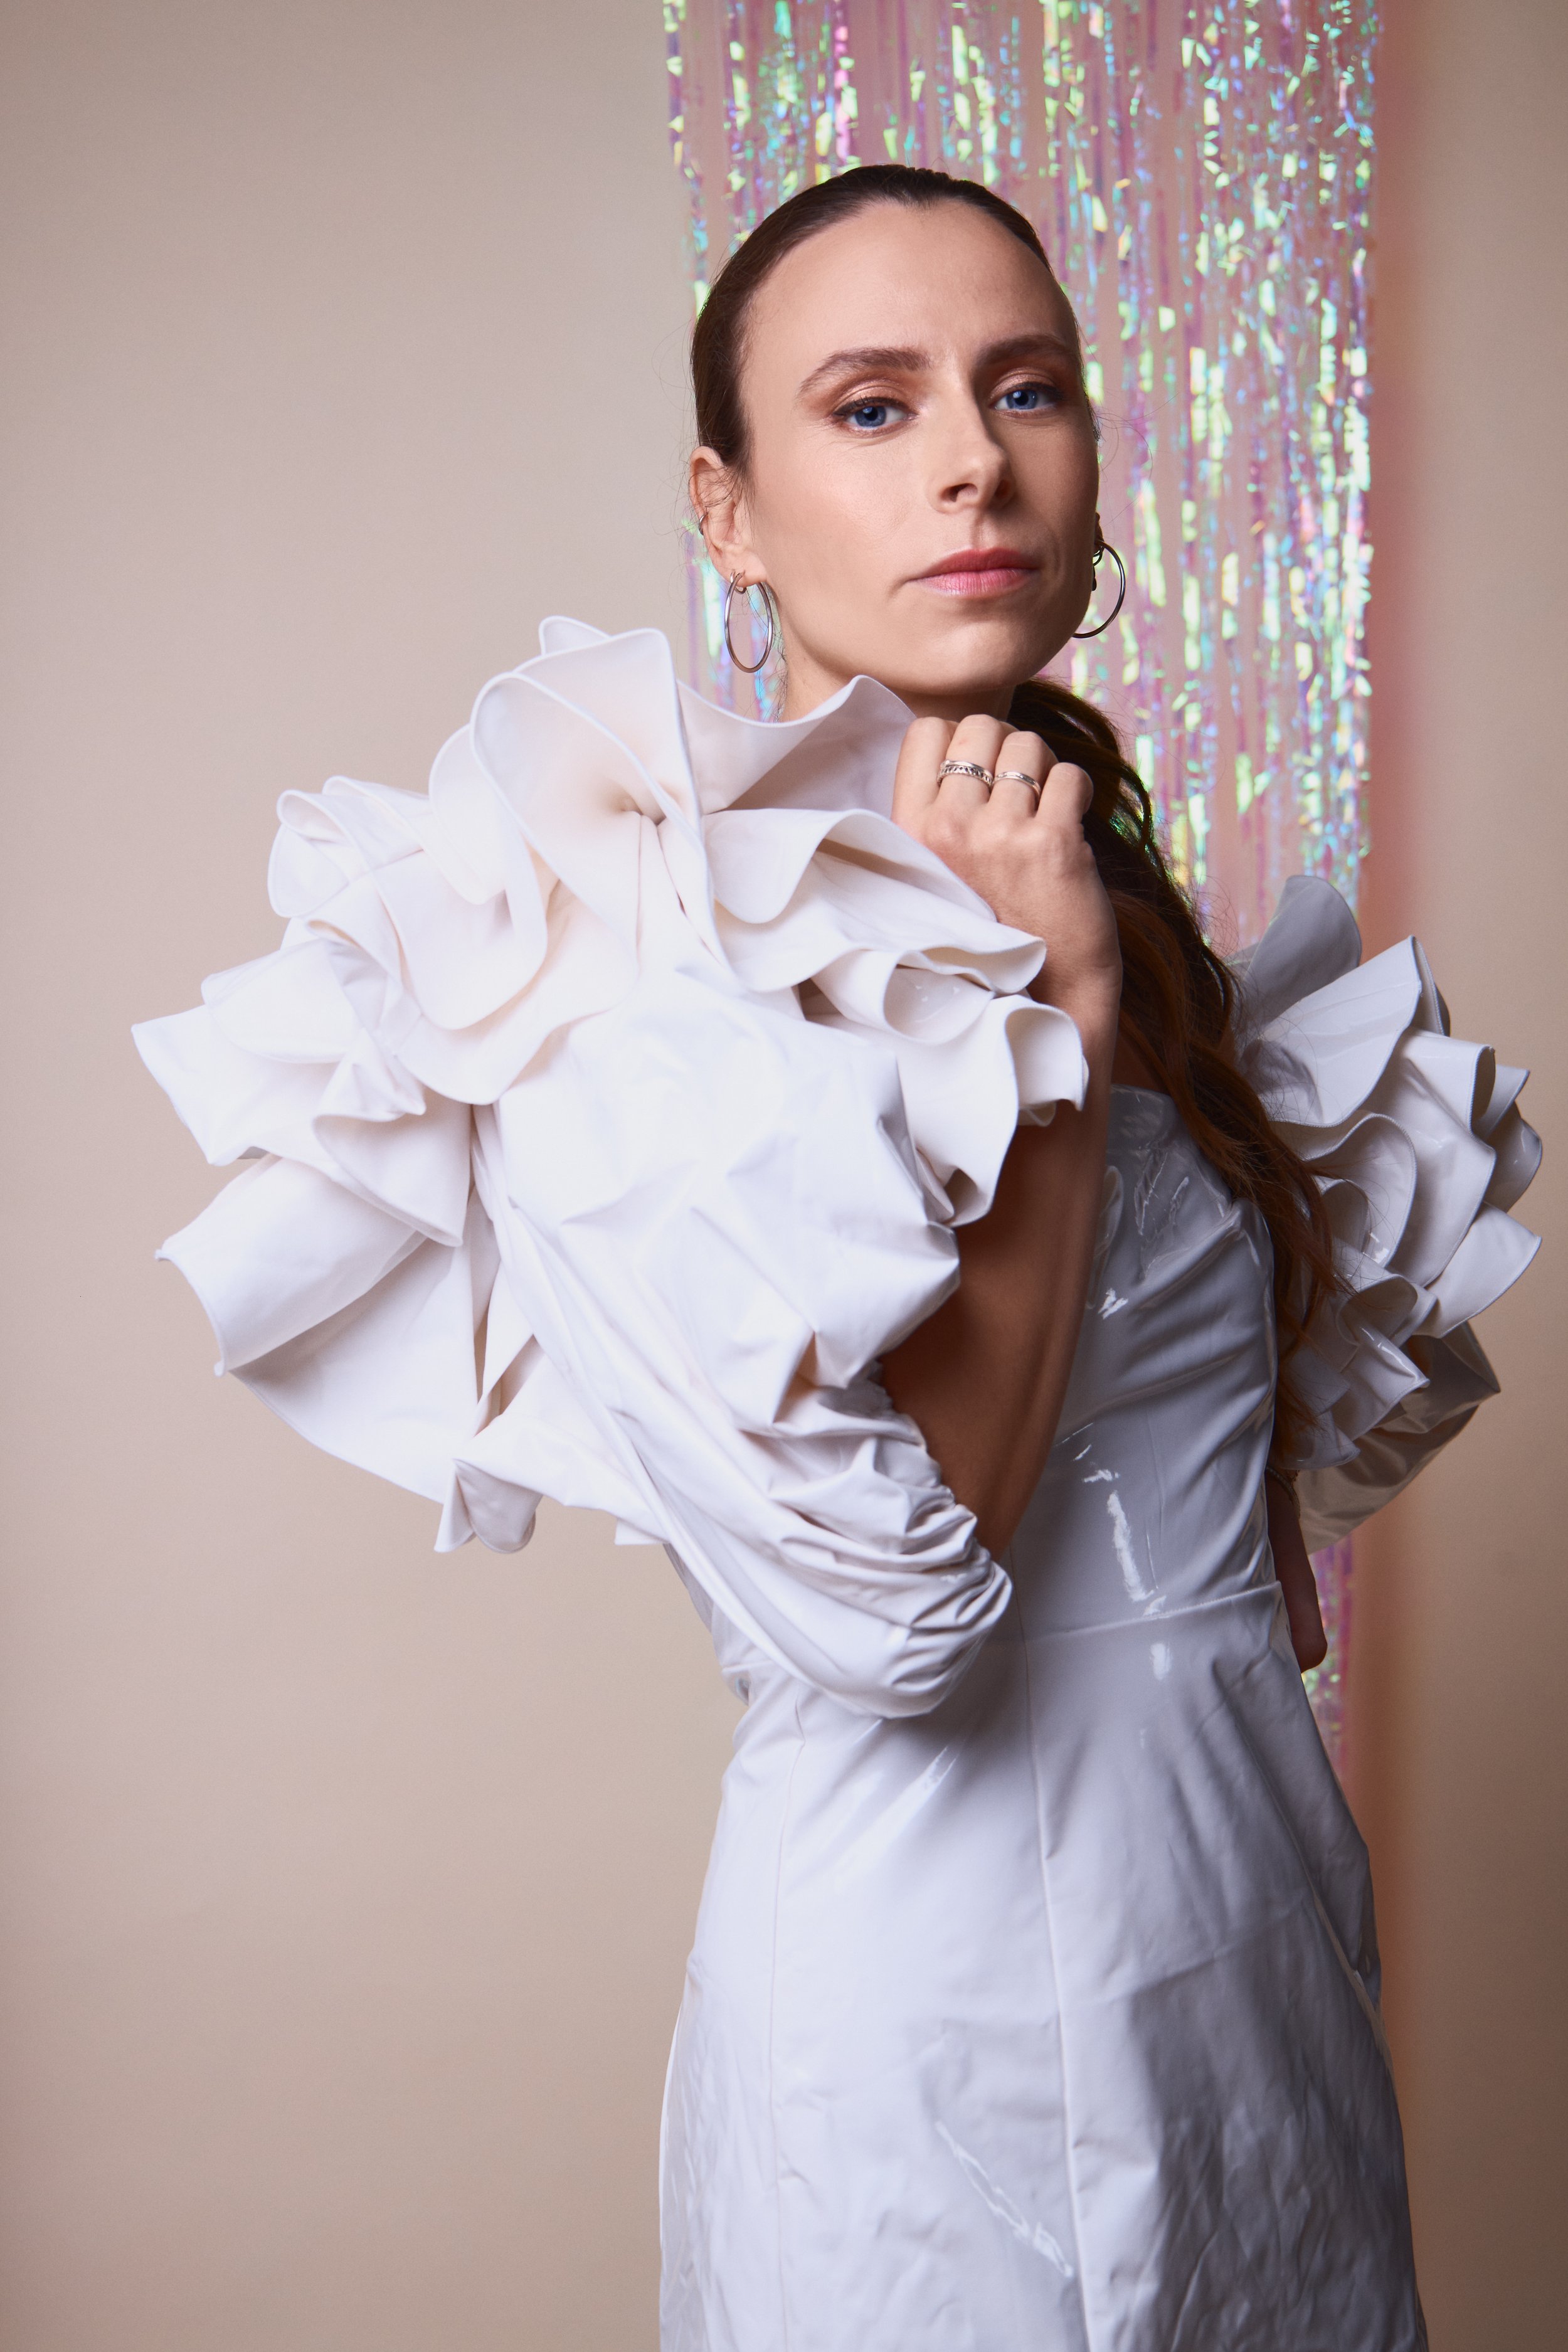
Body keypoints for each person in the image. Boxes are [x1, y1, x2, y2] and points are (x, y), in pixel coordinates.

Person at [136, 167, 1539, 2350]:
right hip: (932, 2011)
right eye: (869, 408)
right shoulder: (624, 980)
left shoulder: (1120, 907)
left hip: (1243, 1957)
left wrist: (1093, 972)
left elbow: (1229, 1534)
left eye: (1027, 390)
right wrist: (1059, 1036)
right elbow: (904, 1623)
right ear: (728, 507)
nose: (973, 457)